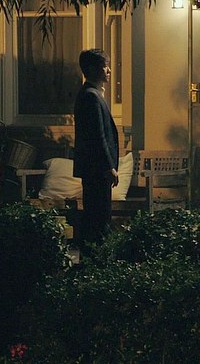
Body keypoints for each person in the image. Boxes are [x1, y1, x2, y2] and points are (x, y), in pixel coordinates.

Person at [73, 48, 119, 250]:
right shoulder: (91, 97)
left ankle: (94, 255)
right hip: (96, 169)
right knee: (98, 217)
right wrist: (109, 166)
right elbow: (97, 136)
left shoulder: (92, 95)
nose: (109, 70)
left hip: (94, 169)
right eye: (104, 66)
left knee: (96, 216)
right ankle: (95, 256)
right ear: (92, 69)